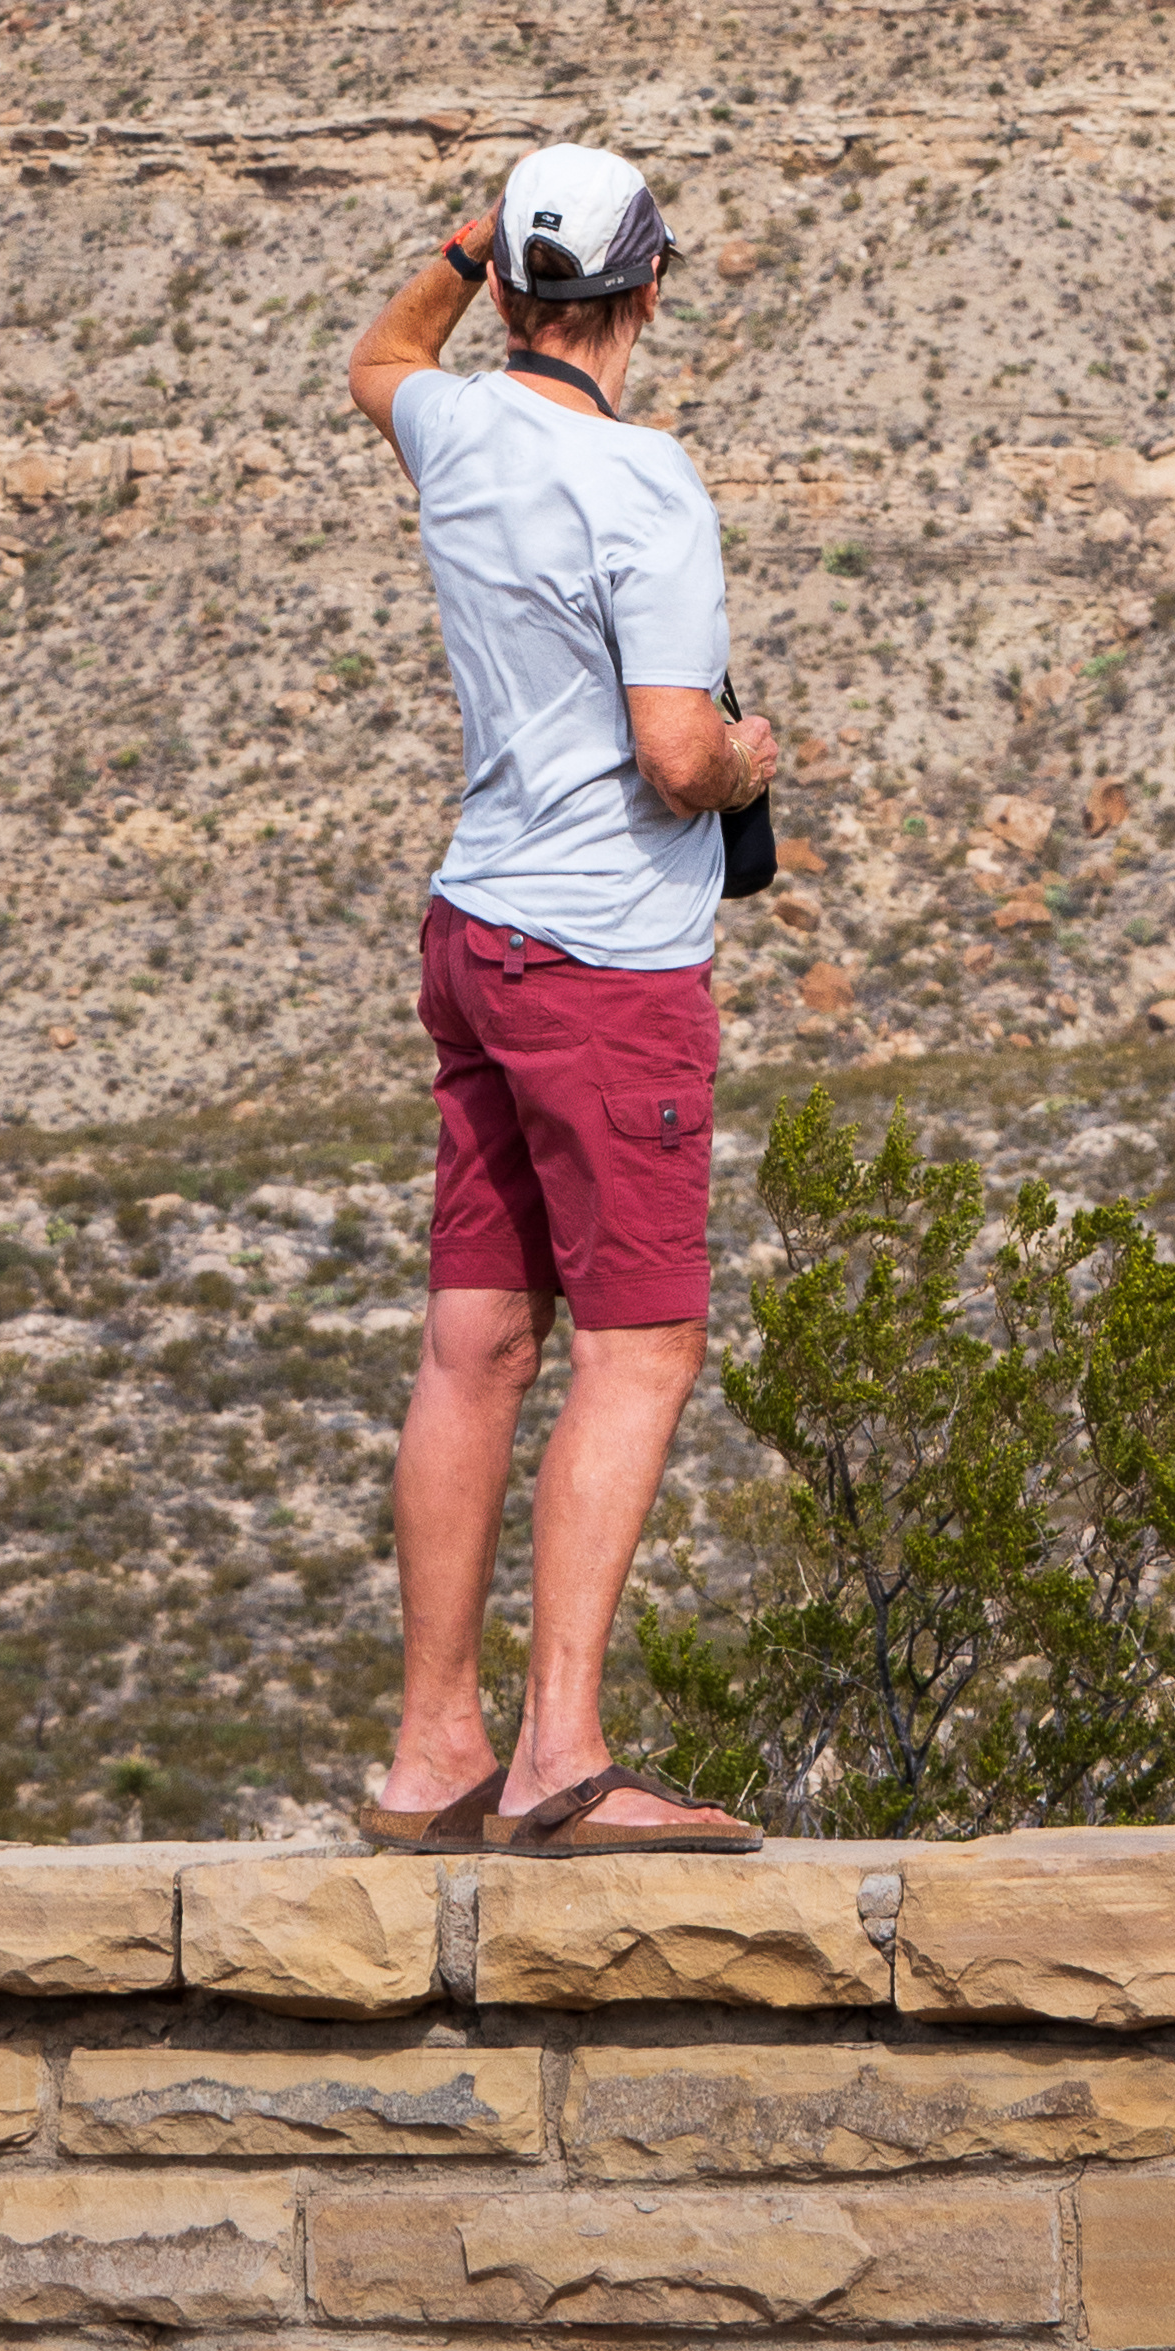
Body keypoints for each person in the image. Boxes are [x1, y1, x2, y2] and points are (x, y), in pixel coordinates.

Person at [345, 142, 777, 1851]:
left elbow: (380, 359)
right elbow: (675, 753)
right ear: (649, 291)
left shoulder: (456, 430)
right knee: (643, 1341)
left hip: (473, 927)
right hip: (605, 960)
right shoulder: (645, 480)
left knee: (474, 1339)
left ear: (514, 290)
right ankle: (558, 1759)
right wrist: (746, 761)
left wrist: (454, 249)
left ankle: (431, 1752)